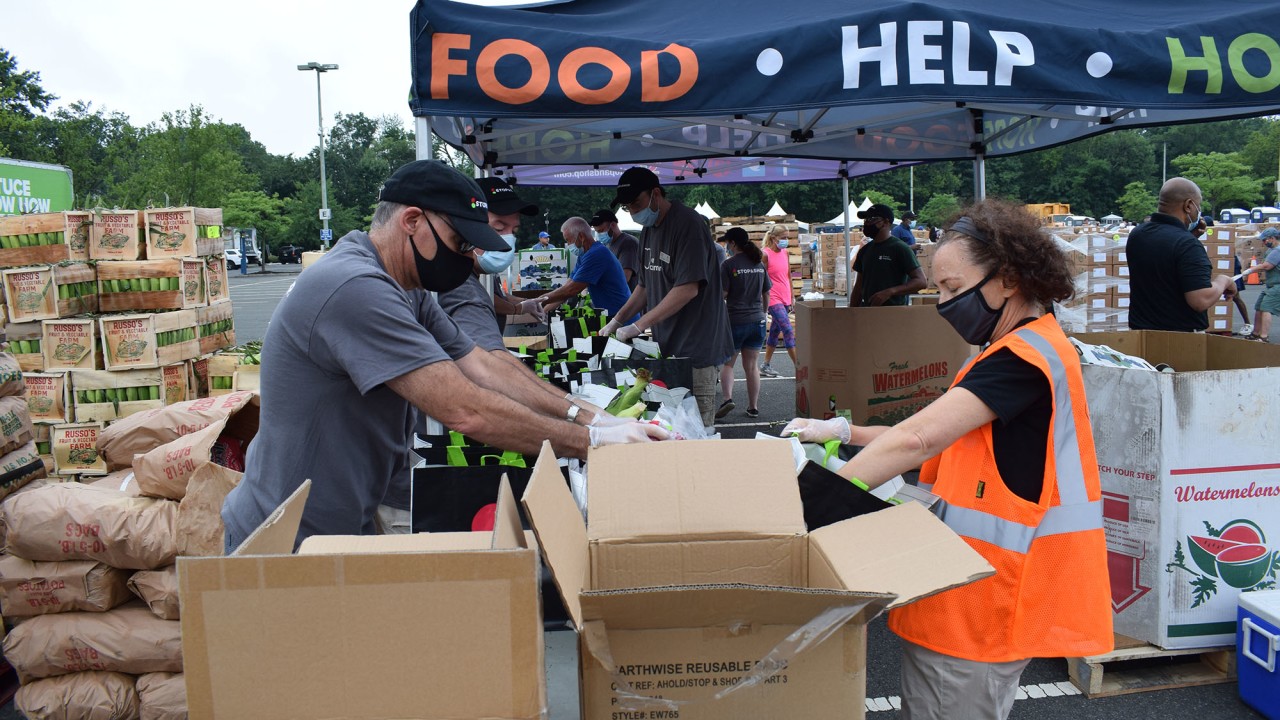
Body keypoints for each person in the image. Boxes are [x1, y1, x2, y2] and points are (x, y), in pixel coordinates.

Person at [221, 160, 666, 549]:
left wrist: (593, 417)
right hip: (283, 534)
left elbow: (485, 364)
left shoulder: (405, 287)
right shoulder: (355, 287)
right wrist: (590, 443)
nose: (465, 256)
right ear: (412, 221)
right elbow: (465, 408)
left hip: (338, 522)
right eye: (458, 242)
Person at [782, 200, 1113, 720]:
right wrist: (845, 431)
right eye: (938, 289)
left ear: (1008, 280)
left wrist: (807, 510)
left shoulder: (1020, 360)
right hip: (963, 589)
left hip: (977, 606)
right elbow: (942, 437)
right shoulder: (1015, 350)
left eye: (954, 289)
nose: (943, 303)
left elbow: (918, 440)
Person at [599, 167, 733, 428]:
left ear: (656, 194)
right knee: (671, 427)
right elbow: (644, 286)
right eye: (627, 207)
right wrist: (618, 320)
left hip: (697, 348)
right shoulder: (649, 230)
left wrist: (639, 325)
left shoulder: (688, 224)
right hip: (667, 347)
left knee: (697, 429)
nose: (633, 211)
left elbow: (688, 288)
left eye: (636, 203)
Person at [1127, 177, 1236, 331]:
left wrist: (1189, 236)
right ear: (1188, 205)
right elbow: (1200, 300)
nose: (1199, 212)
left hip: (1141, 332)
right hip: (1180, 336)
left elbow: (1164, 261)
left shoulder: (1138, 234)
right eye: (1198, 206)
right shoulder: (1187, 244)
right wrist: (1224, 281)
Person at [533, 216, 637, 323]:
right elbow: (566, 288)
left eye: (568, 240)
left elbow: (571, 290)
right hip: (612, 317)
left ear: (581, 236)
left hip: (623, 319)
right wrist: (542, 312)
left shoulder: (597, 254)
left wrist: (537, 302)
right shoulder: (584, 255)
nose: (569, 245)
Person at [717, 227, 771, 419]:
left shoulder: (728, 264)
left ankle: (727, 399)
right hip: (757, 321)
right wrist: (764, 313)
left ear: (733, 243)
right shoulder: (758, 263)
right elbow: (766, 293)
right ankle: (753, 407)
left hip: (735, 321)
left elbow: (723, 294)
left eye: (727, 243)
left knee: (728, 364)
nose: (726, 246)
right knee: (752, 366)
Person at [851, 204, 927, 306]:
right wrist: (851, 311)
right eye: (866, 220)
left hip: (893, 312)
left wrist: (890, 292)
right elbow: (858, 286)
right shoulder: (865, 250)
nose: (867, 223)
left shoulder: (900, 248)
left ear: (886, 222)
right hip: (868, 311)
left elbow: (921, 282)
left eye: (872, 219)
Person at [759, 224, 796, 378]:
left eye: (787, 237)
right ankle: (799, 366)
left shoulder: (785, 253)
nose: (786, 240)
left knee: (774, 331)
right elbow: (760, 278)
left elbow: (788, 276)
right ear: (774, 238)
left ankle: (765, 365)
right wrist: (762, 299)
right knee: (787, 329)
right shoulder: (765, 254)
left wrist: (792, 296)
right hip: (773, 297)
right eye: (783, 238)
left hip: (785, 296)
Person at [1241, 227, 1280, 342]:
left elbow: (1266, 266)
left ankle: (1264, 336)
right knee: (1259, 307)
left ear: (1272, 238)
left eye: (1265, 240)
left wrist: (1250, 270)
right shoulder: (1270, 251)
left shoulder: (1277, 251)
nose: (1263, 242)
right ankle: (1255, 333)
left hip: (1277, 285)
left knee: (1266, 308)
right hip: (1270, 285)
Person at [590, 209, 642, 291]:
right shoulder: (608, 244)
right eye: (597, 232)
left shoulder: (628, 243)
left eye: (601, 231)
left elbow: (624, 277)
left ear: (613, 225)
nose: (599, 235)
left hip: (628, 296)